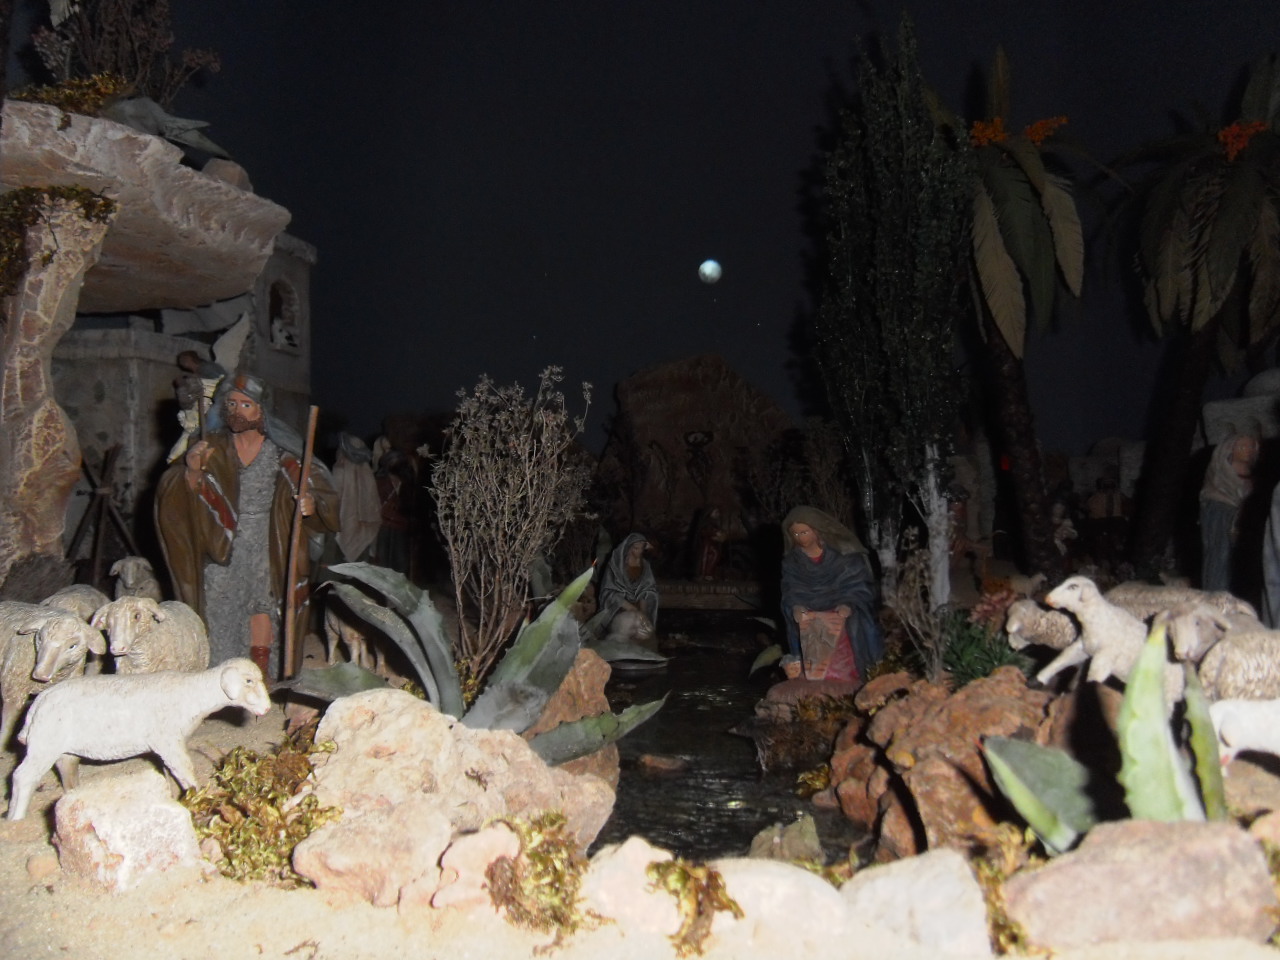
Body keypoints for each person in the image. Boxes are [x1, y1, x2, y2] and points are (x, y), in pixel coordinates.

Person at [155, 372, 339, 678]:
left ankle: (262, 676)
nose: (237, 411)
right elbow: (174, 492)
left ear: (261, 410)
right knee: (220, 609)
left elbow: (319, 492)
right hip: (222, 545)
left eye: (246, 405)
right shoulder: (210, 447)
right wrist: (192, 472)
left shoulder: (281, 455)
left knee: (263, 607)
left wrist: (310, 504)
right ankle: (222, 675)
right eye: (231, 404)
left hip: (269, 543)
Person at [780, 505, 882, 683]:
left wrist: (849, 604)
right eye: (795, 533)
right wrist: (796, 606)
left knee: (852, 626)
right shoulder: (792, 562)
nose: (800, 537)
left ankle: (855, 676)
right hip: (810, 611)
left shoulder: (844, 556)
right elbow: (791, 589)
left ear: (816, 531)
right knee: (805, 628)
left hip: (841, 609)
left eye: (804, 532)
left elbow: (858, 585)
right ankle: (812, 677)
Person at [1200, 434, 1258, 592]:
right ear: (1230, 449)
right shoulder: (1220, 482)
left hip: (1244, 537)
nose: (1248, 450)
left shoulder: (1254, 478)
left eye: (1251, 446)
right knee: (1221, 559)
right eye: (1242, 446)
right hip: (1222, 523)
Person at [585, 533, 660, 639]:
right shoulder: (616, 566)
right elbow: (609, 593)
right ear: (629, 548)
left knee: (646, 632)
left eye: (641, 548)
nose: (639, 551)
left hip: (638, 610)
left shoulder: (645, 566)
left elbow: (647, 590)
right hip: (618, 609)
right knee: (625, 625)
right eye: (636, 548)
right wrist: (633, 609)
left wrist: (643, 613)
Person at [332, 433, 381, 563]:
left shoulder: (340, 470)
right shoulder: (367, 472)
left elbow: (333, 501)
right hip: (363, 530)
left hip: (344, 527)